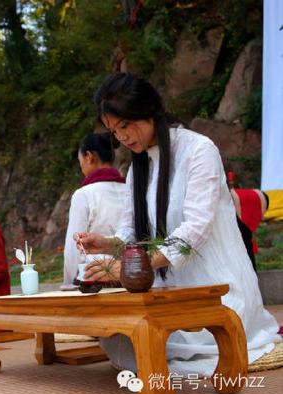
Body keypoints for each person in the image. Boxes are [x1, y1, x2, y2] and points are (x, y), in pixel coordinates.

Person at [75, 73, 280, 376]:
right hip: (169, 290)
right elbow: (132, 234)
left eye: (125, 125)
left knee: (168, 347)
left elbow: (194, 231)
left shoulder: (199, 151)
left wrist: (136, 267)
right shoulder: (137, 168)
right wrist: (107, 244)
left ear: (149, 111)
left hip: (216, 291)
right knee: (119, 339)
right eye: (114, 131)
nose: (122, 137)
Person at [62, 132, 126, 289]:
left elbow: (75, 246)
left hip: (95, 280)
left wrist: (69, 283)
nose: (81, 167)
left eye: (80, 161)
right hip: (129, 276)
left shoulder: (84, 194)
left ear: (89, 156)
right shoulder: (130, 190)